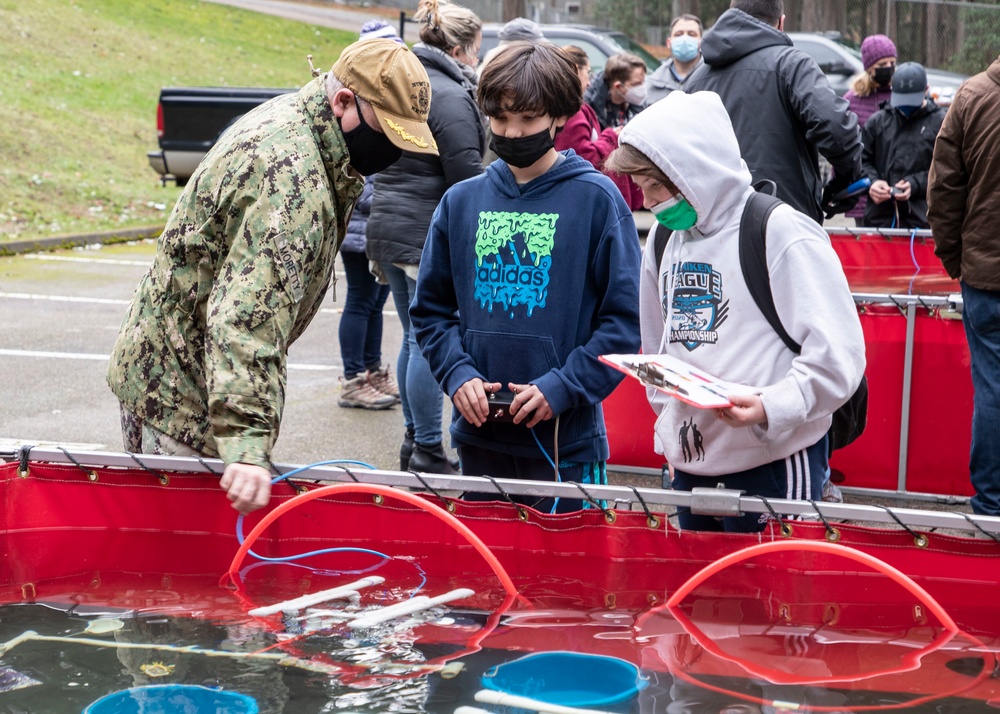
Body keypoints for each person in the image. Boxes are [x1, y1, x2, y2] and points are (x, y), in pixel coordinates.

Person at [107, 38, 436, 514]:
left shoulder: (303, 127)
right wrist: (245, 441)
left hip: (182, 373)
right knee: (183, 554)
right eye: (385, 133)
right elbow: (248, 316)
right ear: (343, 101)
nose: (390, 150)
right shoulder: (291, 181)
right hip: (182, 394)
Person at [604, 90, 865, 532]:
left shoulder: (780, 232)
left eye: (654, 185)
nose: (647, 202)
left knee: (773, 595)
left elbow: (838, 356)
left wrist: (770, 405)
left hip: (774, 463)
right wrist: (670, 420)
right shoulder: (665, 241)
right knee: (697, 595)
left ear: (692, 171)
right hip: (689, 464)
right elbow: (657, 340)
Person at [409, 41, 642, 513]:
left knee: (566, 581)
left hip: (566, 445)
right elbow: (431, 311)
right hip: (478, 441)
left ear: (559, 116)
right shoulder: (460, 201)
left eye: (528, 119)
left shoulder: (597, 200)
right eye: (500, 119)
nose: (512, 132)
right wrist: (457, 374)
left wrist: (562, 387)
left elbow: (623, 324)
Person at [365, 0, 485, 474]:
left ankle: (414, 440)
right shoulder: (452, 95)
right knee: (426, 338)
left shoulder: (408, 80)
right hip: (424, 231)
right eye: (476, 51)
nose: (477, 60)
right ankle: (429, 450)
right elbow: (465, 176)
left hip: (390, 225)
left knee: (410, 337)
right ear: (458, 48)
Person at [685, 0, 862, 224]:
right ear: (781, 23)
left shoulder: (695, 80)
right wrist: (846, 181)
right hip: (783, 224)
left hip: (714, 224)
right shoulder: (792, 65)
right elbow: (837, 128)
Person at [927, 55, 1000, 517]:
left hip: (986, 277)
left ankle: (992, 503)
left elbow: (944, 192)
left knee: (993, 388)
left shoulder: (972, 96)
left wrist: (955, 257)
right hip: (982, 272)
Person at [337, 20, 405, 411]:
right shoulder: (356, 106)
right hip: (361, 225)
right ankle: (353, 378)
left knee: (376, 302)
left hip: (378, 224)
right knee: (361, 300)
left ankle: (373, 370)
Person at [554, 45, 643, 210]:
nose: (588, 82)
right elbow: (582, 157)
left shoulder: (576, 107)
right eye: (587, 73)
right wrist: (610, 136)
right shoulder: (573, 111)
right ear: (575, 70)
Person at [860, 62, 945, 229]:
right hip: (880, 220)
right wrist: (873, 183)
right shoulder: (877, 122)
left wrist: (916, 184)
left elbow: (947, 170)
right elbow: (861, 161)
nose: (906, 106)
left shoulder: (941, 124)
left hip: (923, 222)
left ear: (926, 90)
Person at [843, 34, 897, 225]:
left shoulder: (900, 96)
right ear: (869, 68)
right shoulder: (852, 100)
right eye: (882, 65)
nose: (889, 69)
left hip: (895, 192)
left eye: (892, 63)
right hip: (864, 194)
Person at [646, 14, 704, 105]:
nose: (685, 39)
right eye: (679, 34)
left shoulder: (713, 78)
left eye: (691, 34)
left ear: (701, 42)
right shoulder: (653, 83)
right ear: (669, 43)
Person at [583, 52, 648, 130]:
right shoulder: (588, 106)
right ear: (618, 86)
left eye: (643, 82)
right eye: (636, 84)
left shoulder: (638, 102)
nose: (642, 87)